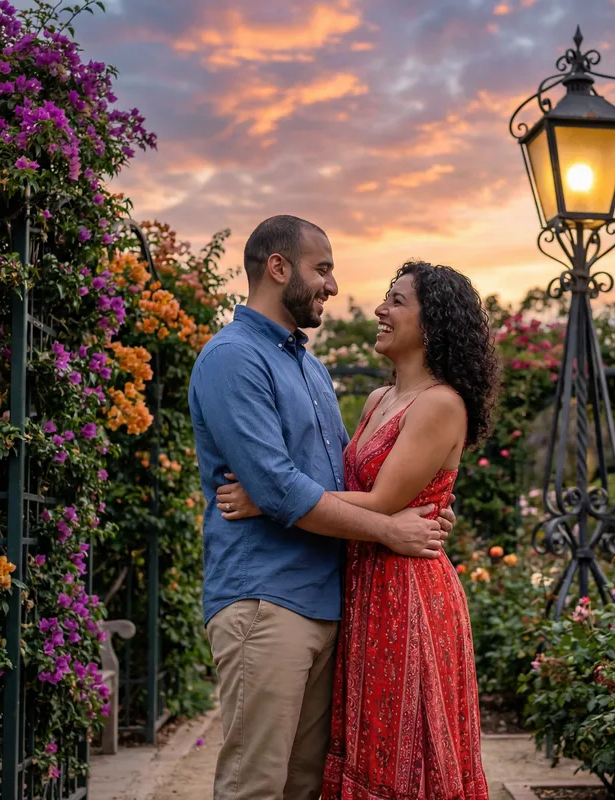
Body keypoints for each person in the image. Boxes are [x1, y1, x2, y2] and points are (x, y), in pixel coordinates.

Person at [187, 216, 456, 800]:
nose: (333, 286)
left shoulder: (309, 366)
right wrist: (388, 529)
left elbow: (340, 478)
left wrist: (427, 502)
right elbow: (279, 488)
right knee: (255, 784)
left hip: (330, 601)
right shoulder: (233, 358)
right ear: (278, 268)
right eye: (323, 269)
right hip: (265, 600)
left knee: (306, 785)